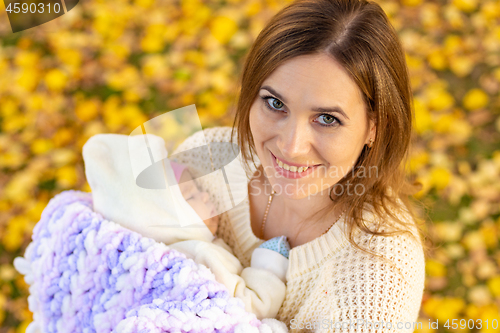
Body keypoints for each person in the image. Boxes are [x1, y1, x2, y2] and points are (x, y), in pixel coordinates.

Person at [170, 0, 428, 331]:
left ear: (373, 127)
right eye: (275, 103)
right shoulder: (203, 161)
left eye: (326, 119)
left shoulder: (380, 275)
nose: (291, 147)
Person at [81, 133, 291, 322]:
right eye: (191, 195)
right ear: (165, 217)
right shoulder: (202, 254)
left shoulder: (148, 257)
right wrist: (268, 267)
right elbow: (251, 308)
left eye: (198, 189)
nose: (206, 195)